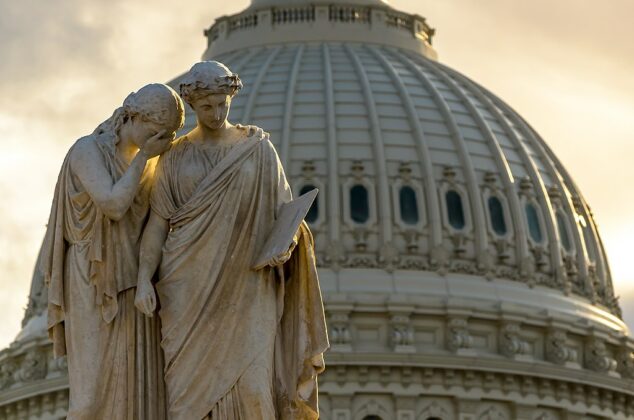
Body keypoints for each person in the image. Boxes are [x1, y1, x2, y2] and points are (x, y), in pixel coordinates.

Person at [135, 61, 329, 419]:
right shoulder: (174, 156)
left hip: (249, 288)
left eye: (222, 104)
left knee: (255, 390)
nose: (216, 112)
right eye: (207, 106)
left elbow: (284, 215)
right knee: (184, 404)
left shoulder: (257, 149)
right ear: (192, 106)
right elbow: (158, 225)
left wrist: (285, 245)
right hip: (186, 291)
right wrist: (144, 279)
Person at [40, 83, 185, 419]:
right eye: (157, 131)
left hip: (134, 284)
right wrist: (147, 157)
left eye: (169, 135)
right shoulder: (86, 151)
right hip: (91, 278)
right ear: (132, 116)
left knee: (136, 400)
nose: (163, 141)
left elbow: (157, 227)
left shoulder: (151, 166)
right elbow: (113, 204)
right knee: (89, 401)